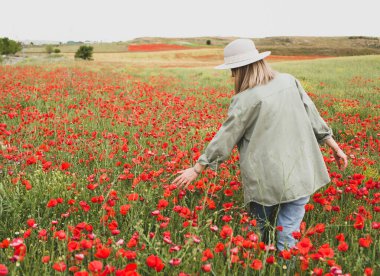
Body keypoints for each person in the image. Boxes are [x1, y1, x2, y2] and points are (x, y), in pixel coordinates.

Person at [172, 38, 348, 251]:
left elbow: (225, 137)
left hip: (266, 180)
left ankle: (251, 263)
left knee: (255, 232)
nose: (232, 75)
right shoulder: (289, 81)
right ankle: (284, 267)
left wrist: (197, 168)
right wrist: (335, 147)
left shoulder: (244, 99)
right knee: (289, 233)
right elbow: (313, 116)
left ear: (242, 69)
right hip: (300, 173)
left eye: (234, 70)